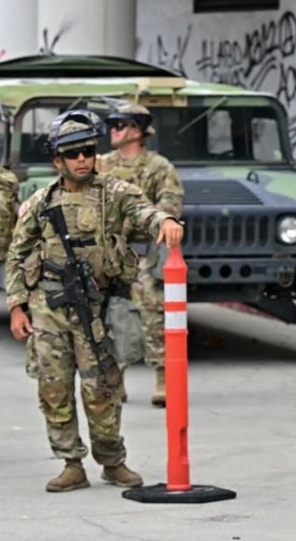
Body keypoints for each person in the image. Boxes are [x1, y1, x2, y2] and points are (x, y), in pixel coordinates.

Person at [5, 110, 183, 493]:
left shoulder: (113, 193)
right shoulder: (41, 202)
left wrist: (164, 221)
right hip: (49, 307)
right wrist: (17, 306)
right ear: (58, 161)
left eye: (87, 151)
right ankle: (71, 462)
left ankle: (111, 461)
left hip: (95, 306)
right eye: (73, 154)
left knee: (102, 386)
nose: (82, 159)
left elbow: (144, 211)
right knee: (53, 388)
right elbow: (17, 255)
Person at [97, 99, 184, 406]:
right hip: (110, 252)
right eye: (111, 125)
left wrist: (147, 220)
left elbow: (169, 204)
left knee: (153, 313)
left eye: (119, 125)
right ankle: (114, 377)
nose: (113, 131)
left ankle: (162, 375)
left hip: (144, 251)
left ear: (137, 130)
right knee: (109, 314)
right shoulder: (102, 164)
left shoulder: (158, 167)